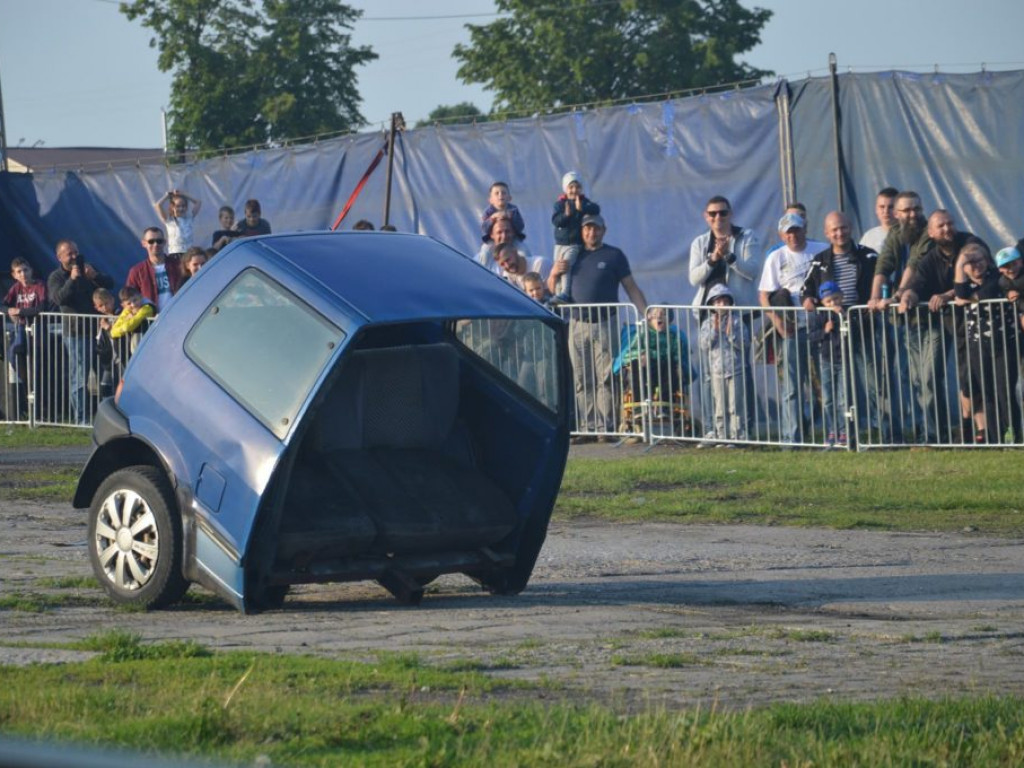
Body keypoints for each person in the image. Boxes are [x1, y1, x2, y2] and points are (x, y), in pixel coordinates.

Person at [801, 210, 897, 443]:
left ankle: (888, 434)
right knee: (837, 389)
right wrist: (808, 300)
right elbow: (806, 288)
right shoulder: (820, 260)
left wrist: (879, 300)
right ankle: (843, 433)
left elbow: (886, 281)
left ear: (850, 228)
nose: (839, 233)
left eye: (843, 227)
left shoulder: (868, 256)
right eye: (834, 229)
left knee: (876, 382)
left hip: (864, 327)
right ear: (826, 233)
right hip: (834, 333)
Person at [550, 213, 647, 443]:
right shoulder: (572, 255)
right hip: (577, 324)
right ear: (581, 231)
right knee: (582, 378)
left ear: (604, 230)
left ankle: (607, 427)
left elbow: (631, 287)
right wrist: (554, 272)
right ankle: (588, 427)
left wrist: (647, 314)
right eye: (587, 228)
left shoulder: (614, 255)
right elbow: (552, 289)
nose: (591, 232)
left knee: (606, 377)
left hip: (605, 323)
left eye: (596, 228)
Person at [899, 210, 987, 443]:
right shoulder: (930, 258)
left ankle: (986, 431)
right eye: (941, 226)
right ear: (930, 232)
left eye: (950, 223)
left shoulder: (970, 243)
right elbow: (917, 284)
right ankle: (952, 431)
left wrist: (948, 295)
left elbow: (983, 275)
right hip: (947, 322)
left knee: (977, 376)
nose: (947, 229)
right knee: (945, 377)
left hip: (978, 320)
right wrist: (908, 296)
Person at [688, 195, 761, 443]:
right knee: (709, 373)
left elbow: (752, 271)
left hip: (738, 313)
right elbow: (694, 278)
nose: (717, 217)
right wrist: (712, 259)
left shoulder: (746, 237)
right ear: (706, 217)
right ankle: (713, 429)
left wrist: (729, 255)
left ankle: (743, 430)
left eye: (722, 212)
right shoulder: (700, 242)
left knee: (741, 372)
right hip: (708, 315)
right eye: (712, 214)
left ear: (731, 214)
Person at [951, 241, 1019, 444]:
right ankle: (995, 437)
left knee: (1004, 391)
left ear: (988, 261)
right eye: (970, 262)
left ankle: (1014, 435)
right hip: (978, 346)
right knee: (986, 392)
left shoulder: (998, 277)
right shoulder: (967, 284)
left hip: (1003, 342)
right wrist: (960, 263)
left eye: (978, 259)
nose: (975, 265)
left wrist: (971, 299)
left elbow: (988, 292)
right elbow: (960, 293)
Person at [758, 212, 817, 445]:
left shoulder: (821, 250)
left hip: (820, 327)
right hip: (792, 329)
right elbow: (764, 295)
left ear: (805, 229)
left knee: (825, 385)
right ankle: (792, 438)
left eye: (797, 230)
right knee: (792, 386)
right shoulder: (776, 257)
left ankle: (834, 434)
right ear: (782, 235)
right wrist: (778, 322)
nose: (793, 236)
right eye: (788, 232)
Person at [46, 239, 114, 425]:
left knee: (106, 376)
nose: (74, 256)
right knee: (80, 378)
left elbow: (110, 283)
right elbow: (59, 299)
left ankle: (109, 419)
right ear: (59, 257)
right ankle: (81, 420)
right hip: (76, 334)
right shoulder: (56, 277)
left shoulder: (88, 269)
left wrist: (95, 276)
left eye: (76, 252)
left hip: (99, 332)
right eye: (69, 254)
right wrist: (72, 279)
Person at [698, 284, 749, 446]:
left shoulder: (737, 320)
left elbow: (744, 343)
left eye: (725, 302)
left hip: (735, 369)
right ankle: (722, 436)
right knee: (720, 407)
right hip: (717, 371)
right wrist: (714, 331)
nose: (722, 305)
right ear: (712, 304)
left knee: (735, 406)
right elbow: (703, 344)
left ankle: (736, 436)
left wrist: (731, 334)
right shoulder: (707, 323)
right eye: (718, 302)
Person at [3, 258, 47, 417]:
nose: (23, 274)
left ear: (31, 271)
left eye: (25, 270)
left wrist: (20, 312)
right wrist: (9, 311)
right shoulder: (16, 288)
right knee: (14, 352)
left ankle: (39, 410)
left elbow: (41, 307)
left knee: (36, 368)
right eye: (19, 271)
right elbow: (4, 304)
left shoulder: (39, 285)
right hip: (21, 328)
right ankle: (25, 384)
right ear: (14, 275)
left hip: (37, 329)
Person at [549, 171, 600, 302]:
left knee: (566, 266)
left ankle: (565, 293)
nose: (574, 190)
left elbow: (596, 209)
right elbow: (556, 221)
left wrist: (581, 208)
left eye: (577, 187)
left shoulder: (583, 202)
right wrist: (566, 215)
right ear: (565, 189)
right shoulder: (560, 204)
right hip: (560, 243)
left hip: (574, 243)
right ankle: (557, 294)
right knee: (558, 268)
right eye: (571, 187)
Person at [815, 281, 848, 447]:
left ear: (841, 297)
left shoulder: (847, 312)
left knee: (842, 399)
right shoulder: (820, 316)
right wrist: (824, 331)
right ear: (823, 303)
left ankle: (844, 431)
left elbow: (854, 329)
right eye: (828, 301)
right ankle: (832, 429)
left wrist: (844, 317)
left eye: (835, 299)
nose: (833, 303)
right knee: (827, 399)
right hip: (826, 360)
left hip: (843, 360)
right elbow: (812, 335)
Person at [125, 226, 184, 313]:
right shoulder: (136, 271)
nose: (155, 244)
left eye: (159, 241)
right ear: (144, 244)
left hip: (178, 315)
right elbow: (128, 298)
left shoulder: (178, 266)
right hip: (151, 319)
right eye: (151, 241)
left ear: (164, 242)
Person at [111, 285, 156, 358]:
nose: (133, 305)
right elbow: (113, 332)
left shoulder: (147, 308)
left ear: (140, 297)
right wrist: (126, 321)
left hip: (149, 346)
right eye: (129, 303)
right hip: (134, 350)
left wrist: (126, 322)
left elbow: (128, 327)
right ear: (123, 305)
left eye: (135, 300)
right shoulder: (127, 311)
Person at [153, 188, 202, 256]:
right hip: (175, 252)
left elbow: (198, 202)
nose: (181, 209)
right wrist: (167, 196)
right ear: (172, 207)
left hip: (188, 252)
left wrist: (183, 194)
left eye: (183, 206)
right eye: (178, 206)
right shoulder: (169, 220)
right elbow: (157, 205)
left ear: (186, 207)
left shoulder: (189, 218)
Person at [481, 181, 526, 247]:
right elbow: (484, 228)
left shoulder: (513, 210)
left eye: (504, 193)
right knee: (485, 251)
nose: (500, 195)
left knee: (523, 250)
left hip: (512, 238)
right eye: (497, 193)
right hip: (493, 240)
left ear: (510, 198)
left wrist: (512, 217)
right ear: (490, 200)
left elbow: (520, 226)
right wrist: (492, 219)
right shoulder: (488, 212)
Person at [92, 287, 119, 400]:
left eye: (106, 303)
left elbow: (121, 333)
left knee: (120, 387)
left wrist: (108, 327)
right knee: (105, 387)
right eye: (100, 305)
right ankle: (107, 408)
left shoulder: (120, 314)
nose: (104, 307)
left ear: (112, 300)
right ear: (96, 307)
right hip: (108, 360)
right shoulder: (101, 319)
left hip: (120, 358)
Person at [859, 186, 898, 253]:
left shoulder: (909, 235)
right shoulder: (869, 237)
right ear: (876, 209)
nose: (886, 211)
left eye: (891, 207)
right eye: (882, 207)